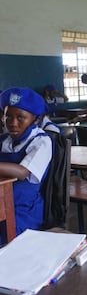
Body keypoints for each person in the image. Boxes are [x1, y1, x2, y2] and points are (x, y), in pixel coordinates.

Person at [0, 87, 52, 244]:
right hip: (3, 200)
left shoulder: (41, 141)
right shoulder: (5, 140)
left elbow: (23, 172)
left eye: (20, 118)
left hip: (24, 210)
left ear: (35, 120)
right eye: (8, 116)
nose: (13, 123)